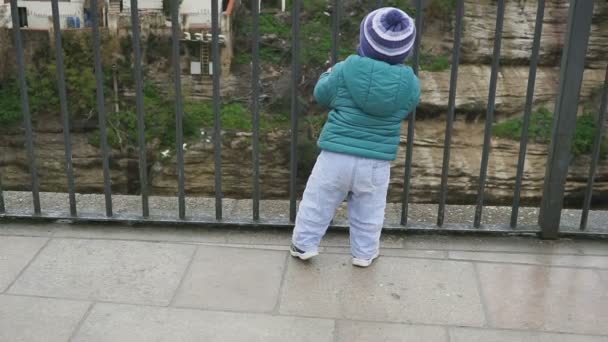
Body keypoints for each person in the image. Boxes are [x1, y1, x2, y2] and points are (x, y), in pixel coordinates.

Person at [290, 7, 421, 267]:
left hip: (336, 155)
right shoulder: (410, 82)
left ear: (364, 40)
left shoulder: (345, 69)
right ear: (405, 50)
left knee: (318, 202)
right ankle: (364, 253)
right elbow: (408, 106)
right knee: (369, 211)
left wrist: (329, 73)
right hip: (375, 161)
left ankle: (303, 245)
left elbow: (321, 95)